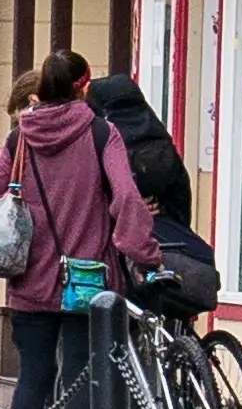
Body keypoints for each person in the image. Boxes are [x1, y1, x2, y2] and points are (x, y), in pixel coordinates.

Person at [0, 51, 146, 409]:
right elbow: (128, 200)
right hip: (87, 279)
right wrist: (143, 254)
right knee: (80, 373)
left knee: (33, 375)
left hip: (29, 280)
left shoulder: (18, 139)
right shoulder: (102, 134)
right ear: (84, 85)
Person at [85, 61, 205, 309]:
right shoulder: (158, 138)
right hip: (165, 233)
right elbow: (181, 190)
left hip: (121, 239)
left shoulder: (105, 138)